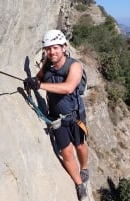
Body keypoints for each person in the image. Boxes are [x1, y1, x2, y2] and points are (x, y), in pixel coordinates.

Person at [24, 30, 89, 200]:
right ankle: (79, 184)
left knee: (80, 145)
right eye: (48, 49)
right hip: (56, 117)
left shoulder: (74, 66)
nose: (52, 52)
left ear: (64, 47)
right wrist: (32, 81)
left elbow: (68, 87)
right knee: (66, 152)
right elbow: (39, 79)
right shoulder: (47, 64)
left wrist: (40, 86)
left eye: (55, 48)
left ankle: (84, 168)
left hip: (75, 116)